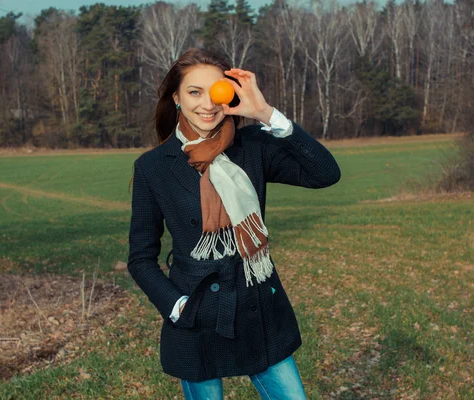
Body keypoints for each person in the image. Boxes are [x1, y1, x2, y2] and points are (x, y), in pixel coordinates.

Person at [127, 48, 341, 400]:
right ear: (176, 98)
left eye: (215, 92)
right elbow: (140, 258)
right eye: (194, 92)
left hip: (257, 307)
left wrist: (265, 113)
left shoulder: (252, 146)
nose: (207, 104)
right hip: (196, 320)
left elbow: (325, 174)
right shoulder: (153, 167)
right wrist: (178, 307)